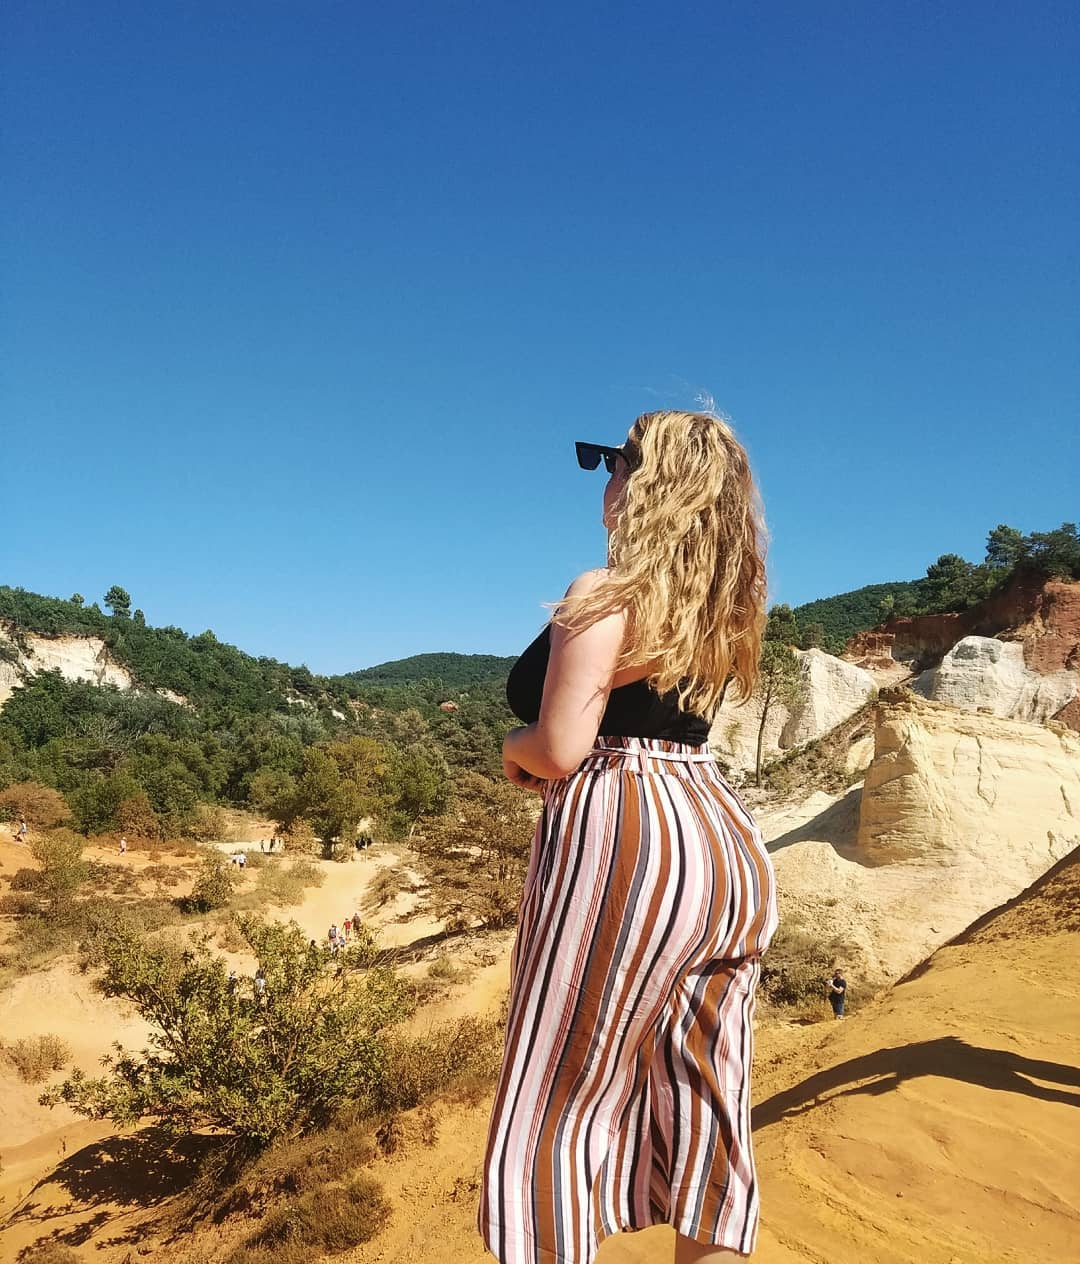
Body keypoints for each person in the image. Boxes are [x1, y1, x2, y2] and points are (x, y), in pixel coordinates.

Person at [477, 411, 779, 1264]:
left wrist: (512, 748)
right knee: (709, 1103)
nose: (604, 480)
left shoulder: (604, 593)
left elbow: (560, 747)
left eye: (612, 463)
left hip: (627, 834)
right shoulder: (725, 609)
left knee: (557, 1089)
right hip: (721, 837)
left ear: (647, 482)